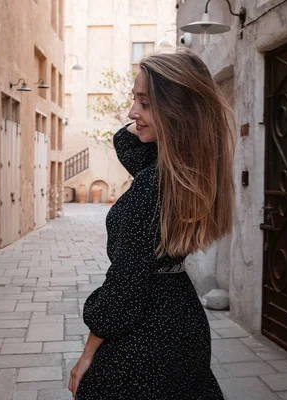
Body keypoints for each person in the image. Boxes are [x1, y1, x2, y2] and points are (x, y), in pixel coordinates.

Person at [68, 48, 235, 399]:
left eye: (144, 103)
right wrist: (157, 115)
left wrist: (88, 353)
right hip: (180, 317)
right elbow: (127, 141)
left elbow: (126, 286)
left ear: (176, 112)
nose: (132, 113)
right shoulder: (187, 174)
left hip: (147, 332)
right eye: (134, 101)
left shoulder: (154, 185)